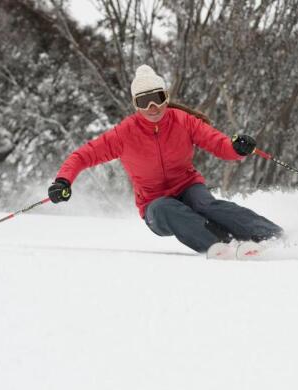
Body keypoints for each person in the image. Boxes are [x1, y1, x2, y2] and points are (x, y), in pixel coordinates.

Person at [48, 64, 283, 254]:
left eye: (157, 98)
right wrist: (63, 181)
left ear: (166, 97)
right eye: (143, 101)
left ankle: (273, 235)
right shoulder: (124, 134)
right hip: (154, 204)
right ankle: (221, 244)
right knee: (164, 207)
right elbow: (82, 156)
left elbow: (217, 143)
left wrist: (236, 147)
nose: (152, 107)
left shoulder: (182, 121)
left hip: (187, 187)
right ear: (135, 105)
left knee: (205, 204)